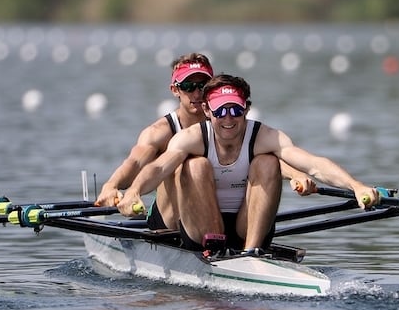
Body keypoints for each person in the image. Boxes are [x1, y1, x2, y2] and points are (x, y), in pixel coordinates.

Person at [117, 74, 379, 254]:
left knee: (267, 163)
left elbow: (314, 164)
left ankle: (251, 254)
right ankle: (216, 250)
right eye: (220, 111)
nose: (228, 118)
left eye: (235, 110)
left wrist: (356, 186)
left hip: (247, 228)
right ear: (207, 111)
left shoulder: (265, 136)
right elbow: (159, 167)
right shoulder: (191, 139)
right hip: (202, 230)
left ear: (246, 109)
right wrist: (134, 191)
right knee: (194, 166)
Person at [96, 54, 316, 231]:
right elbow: (135, 163)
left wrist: (296, 173)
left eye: (202, 85)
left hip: (217, 216)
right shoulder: (160, 132)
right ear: (175, 90)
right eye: (188, 86)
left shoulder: (226, 121)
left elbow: (259, 154)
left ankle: (237, 242)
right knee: (184, 162)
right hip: (171, 220)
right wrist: (111, 186)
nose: (197, 92)